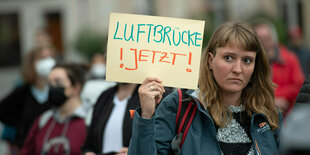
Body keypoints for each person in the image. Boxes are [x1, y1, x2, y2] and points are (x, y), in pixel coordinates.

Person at [128, 22, 282, 155]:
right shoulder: (178, 106)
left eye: (247, 60)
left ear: (255, 66)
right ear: (210, 60)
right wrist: (147, 116)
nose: (237, 69)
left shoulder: (269, 115)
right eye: (228, 58)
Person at [82, 83, 173, 155]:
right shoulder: (104, 97)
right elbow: (89, 143)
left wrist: (133, 151)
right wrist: (88, 152)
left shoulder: (157, 96)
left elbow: (162, 144)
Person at [20, 63, 88, 155]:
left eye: (58, 82)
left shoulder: (90, 120)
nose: (52, 87)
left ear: (75, 88)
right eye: (49, 83)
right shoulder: (43, 120)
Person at [0, 46, 56, 148]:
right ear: (31, 63)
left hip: (54, 146)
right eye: (42, 58)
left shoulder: (58, 90)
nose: (47, 62)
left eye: (50, 57)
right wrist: (20, 126)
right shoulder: (23, 91)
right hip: (29, 147)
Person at [254, 22, 305, 118]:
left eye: (266, 39)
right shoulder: (252, 62)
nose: (264, 44)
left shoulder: (290, 59)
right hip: (261, 119)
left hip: (289, 117)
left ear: (273, 39)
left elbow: (299, 86)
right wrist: (271, 101)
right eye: (259, 40)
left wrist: (273, 96)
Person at [80, 53, 116, 126]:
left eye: (101, 61)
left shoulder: (113, 84)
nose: (98, 65)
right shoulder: (86, 84)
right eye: (95, 62)